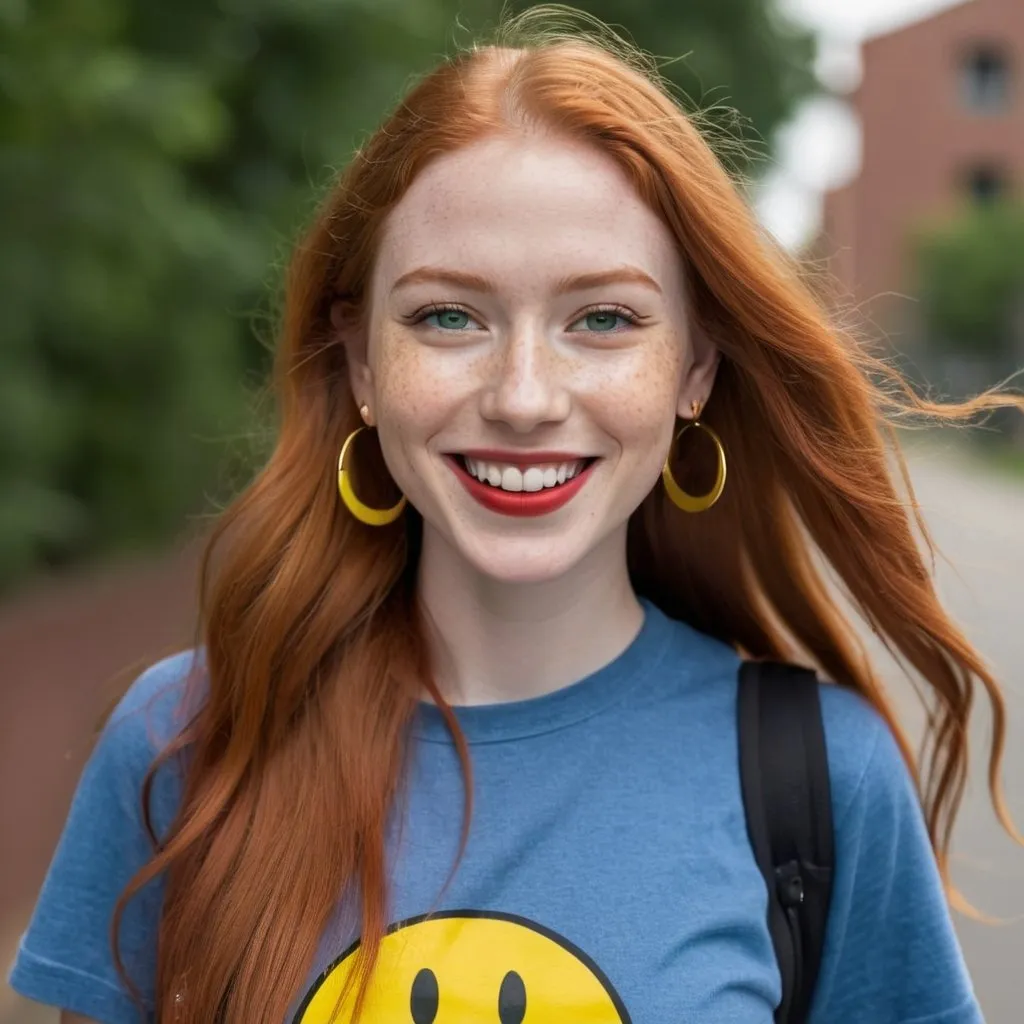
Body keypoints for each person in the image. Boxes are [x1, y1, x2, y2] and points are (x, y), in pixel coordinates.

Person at [8, 11, 1021, 1024]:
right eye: (448, 315)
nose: (524, 396)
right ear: (362, 361)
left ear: (695, 368)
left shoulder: (819, 782)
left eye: (604, 319)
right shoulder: (182, 746)